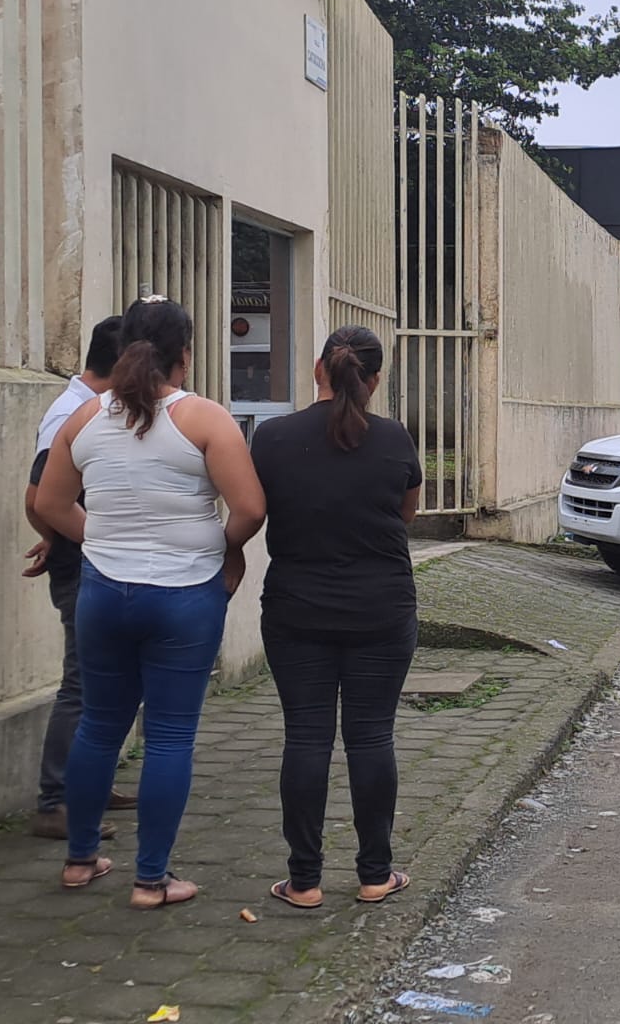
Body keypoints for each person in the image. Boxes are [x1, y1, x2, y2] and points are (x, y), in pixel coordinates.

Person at [36, 296, 266, 908]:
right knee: (168, 737)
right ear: (184, 355)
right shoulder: (206, 420)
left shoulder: (82, 421)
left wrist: (104, 539)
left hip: (103, 593)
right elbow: (250, 508)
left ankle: (80, 861)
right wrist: (222, 548)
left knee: (100, 724)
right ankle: (151, 879)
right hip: (185, 596)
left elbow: (50, 506)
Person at [250, 326, 422, 909]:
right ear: (375, 381)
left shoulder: (272, 438)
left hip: (296, 608)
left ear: (318, 369)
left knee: (306, 737)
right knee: (372, 735)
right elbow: (406, 515)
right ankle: (375, 875)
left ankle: (303, 881)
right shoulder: (395, 439)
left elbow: (258, 508)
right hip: (381, 608)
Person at [24, 316, 137, 841]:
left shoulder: (90, 408)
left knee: (106, 684)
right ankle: (56, 801)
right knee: (82, 684)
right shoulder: (71, 415)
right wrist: (76, 537)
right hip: (85, 568)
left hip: (90, 560)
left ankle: (88, 785)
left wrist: (55, 534)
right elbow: (38, 497)